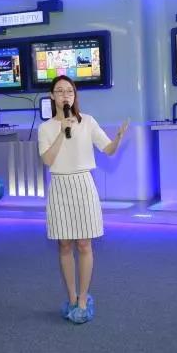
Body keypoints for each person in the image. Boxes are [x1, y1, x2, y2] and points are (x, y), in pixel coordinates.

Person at [37, 75, 128, 325]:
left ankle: (84, 299)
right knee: (65, 245)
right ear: (52, 96)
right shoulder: (45, 128)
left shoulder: (87, 121)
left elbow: (108, 149)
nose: (65, 95)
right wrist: (61, 131)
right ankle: (71, 297)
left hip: (83, 184)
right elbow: (48, 160)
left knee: (84, 244)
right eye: (59, 91)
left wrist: (118, 138)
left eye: (69, 91)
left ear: (74, 95)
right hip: (59, 186)